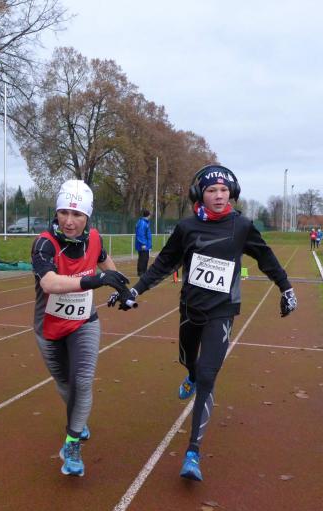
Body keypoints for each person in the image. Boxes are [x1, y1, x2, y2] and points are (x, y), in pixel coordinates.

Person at [117, 164, 297, 481]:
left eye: (223, 190)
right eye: (212, 190)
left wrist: (286, 288)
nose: (218, 196)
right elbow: (164, 263)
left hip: (222, 311)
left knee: (207, 375)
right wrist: (136, 290)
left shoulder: (242, 226)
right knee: (189, 361)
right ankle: (189, 373)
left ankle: (193, 453)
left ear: (232, 193)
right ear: (200, 194)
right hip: (191, 308)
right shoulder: (186, 228)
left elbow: (266, 258)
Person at [31, 179, 132, 477]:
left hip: (85, 322)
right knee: (66, 384)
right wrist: (94, 281)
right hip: (49, 328)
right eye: (64, 212)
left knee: (84, 381)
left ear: (88, 217)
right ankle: (79, 419)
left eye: (77, 214)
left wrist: (120, 287)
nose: (69, 221)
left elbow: (105, 262)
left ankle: (72, 442)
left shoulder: (95, 239)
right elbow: (49, 283)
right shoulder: (44, 243)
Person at [135, 209, 152, 276]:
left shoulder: (145, 222)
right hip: (143, 245)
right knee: (143, 258)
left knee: (145, 258)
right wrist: (143, 244)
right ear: (148, 215)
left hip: (146, 244)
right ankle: (141, 272)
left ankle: (144, 271)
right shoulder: (142, 223)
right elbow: (140, 234)